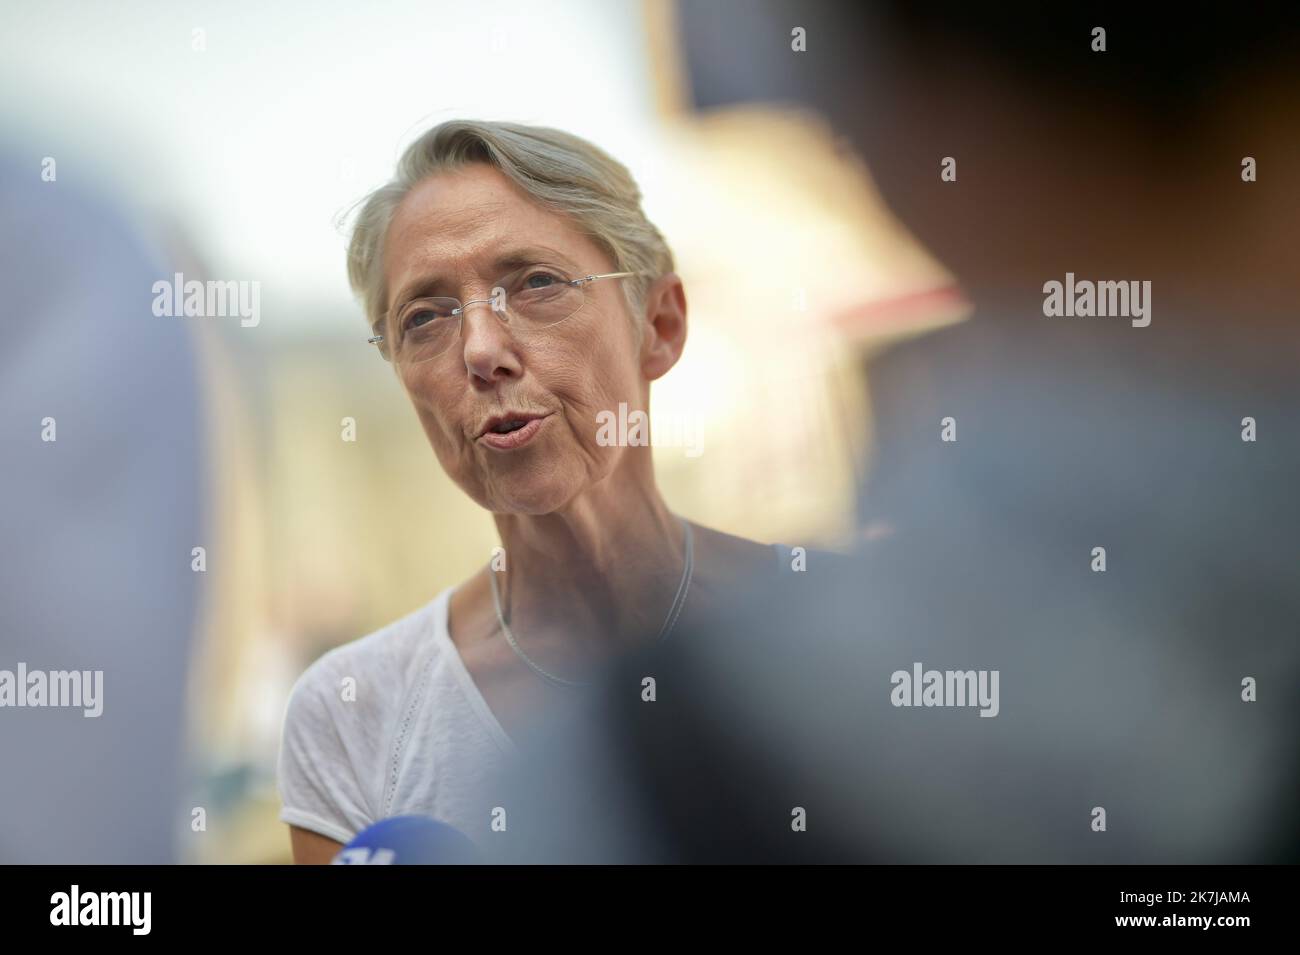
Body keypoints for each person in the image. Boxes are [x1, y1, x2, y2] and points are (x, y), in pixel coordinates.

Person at [276, 120, 787, 863]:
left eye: (538, 283)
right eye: (425, 317)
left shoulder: (849, 629)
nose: (480, 350)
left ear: (661, 324)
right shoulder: (353, 713)